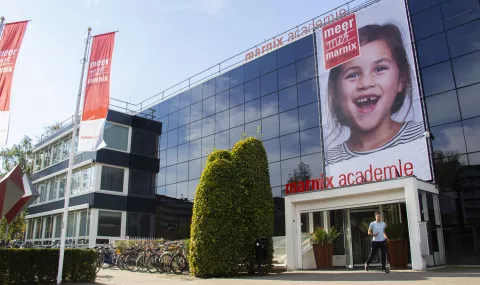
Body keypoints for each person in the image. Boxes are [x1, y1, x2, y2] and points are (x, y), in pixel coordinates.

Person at [325, 24, 424, 166]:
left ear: (401, 80)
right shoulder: (330, 160)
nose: (365, 83)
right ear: (335, 92)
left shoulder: (420, 136)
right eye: (353, 74)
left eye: (379, 69)